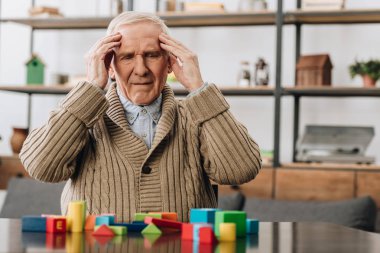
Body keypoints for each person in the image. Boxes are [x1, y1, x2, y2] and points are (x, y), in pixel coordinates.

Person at [20, 11, 261, 222]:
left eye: (152, 55)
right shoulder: (85, 116)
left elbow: (241, 170)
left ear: (169, 63)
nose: (141, 69)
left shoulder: (196, 115)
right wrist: (91, 88)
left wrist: (198, 88)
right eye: (126, 57)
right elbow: (42, 167)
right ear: (110, 66)